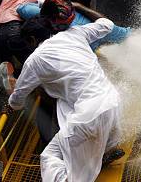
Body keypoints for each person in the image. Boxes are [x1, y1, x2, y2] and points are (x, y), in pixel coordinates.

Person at [7, 15, 123, 181]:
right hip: (112, 103)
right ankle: (105, 151)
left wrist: (12, 91)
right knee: (73, 112)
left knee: (49, 157)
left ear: (32, 40)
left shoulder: (36, 59)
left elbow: (17, 101)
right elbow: (107, 24)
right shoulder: (75, 33)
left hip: (88, 118)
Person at [16, 0, 131, 51]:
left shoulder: (41, 16)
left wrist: (47, 3)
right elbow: (124, 35)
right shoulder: (92, 28)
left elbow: (21, 8)